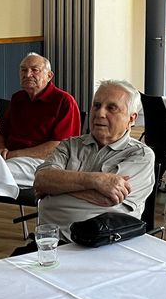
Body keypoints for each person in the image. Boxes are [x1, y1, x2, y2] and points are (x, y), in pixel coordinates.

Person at [0, 53, 79, 264]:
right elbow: (0, 134)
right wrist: (2, 148)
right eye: (23, 70)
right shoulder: (18, 98)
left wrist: (12, 154)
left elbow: (58, 147)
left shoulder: (64, 101)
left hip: (45, 166)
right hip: (10, 161)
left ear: (49, 75)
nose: (28, 74)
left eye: (34, 70)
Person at [34, 80, 155, 241]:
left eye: (111, 108)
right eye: (96, 105)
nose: (100, 113)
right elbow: (41, 180)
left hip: (105, 249)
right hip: (49, 245)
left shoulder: (141, 156)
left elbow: (106, 198)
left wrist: (56, 187)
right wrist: (97, 180)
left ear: (131, 119)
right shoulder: (70, 145)